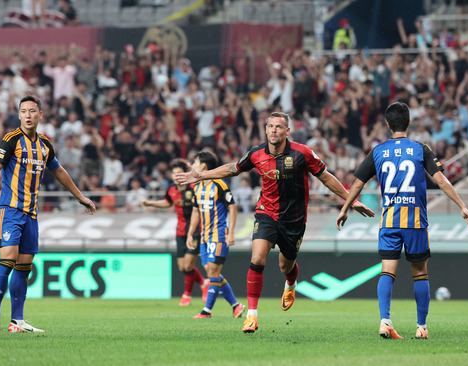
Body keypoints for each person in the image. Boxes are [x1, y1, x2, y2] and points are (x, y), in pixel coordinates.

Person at [175, 112, 374, 333]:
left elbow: (325, 177)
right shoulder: (257, 153)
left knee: (285, 266)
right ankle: (251, 316)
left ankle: (291, 283)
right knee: (258, 257)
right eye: (270, 126)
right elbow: (233, 168)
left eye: (279, 127)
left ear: (287, 131)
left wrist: (351, 201)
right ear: (266, 129)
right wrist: (201, 176)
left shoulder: (302, 153)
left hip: (294, 220)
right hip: (266, 213)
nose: (273, 130)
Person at [335, 102, 468, 340]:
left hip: (389, 221)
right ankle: (421, 327)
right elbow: (441, 181)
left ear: (388, 125)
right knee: (420, 272)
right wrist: (462, 206)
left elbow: (358, 183)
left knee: (387, 271)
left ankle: (385, 321)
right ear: (409, 122)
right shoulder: (421, 149)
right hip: (415, 221)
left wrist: (346, 208)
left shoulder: (377, 151)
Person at [0, 95, 96, 334]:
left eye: (32, 111)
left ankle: (17, 321)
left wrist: (80, 197)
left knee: (25, 266)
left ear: (40, 115)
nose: (28, 115)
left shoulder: (45, 144)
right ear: (19, 115)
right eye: (23, 111)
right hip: (9, 210)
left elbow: (59, 172)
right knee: (8, 259)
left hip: (31, 215)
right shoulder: (10, 140)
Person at [141, 158, 209, 306]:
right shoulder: (171, 189)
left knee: (188, 266)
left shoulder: (193, 188)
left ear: (184, 174)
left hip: (196, 231)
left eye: (179, 173)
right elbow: (168, 202)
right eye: (174, 173)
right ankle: (204, 284)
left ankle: (187, 295)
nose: (176, 176)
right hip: (180, 231)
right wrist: (151, 203)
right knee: (182, 267)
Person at [185, 150, 245, 319]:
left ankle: (207, 310)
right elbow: (196, 212)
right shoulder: (197, 186)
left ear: (203, 166)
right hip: (204, 236)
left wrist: (231, 232)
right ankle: (236, 305)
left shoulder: (220, 184)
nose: (193, 165)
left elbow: (232, 207)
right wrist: (190, 234)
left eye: (195, 162)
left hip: (218, 234)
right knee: (213, 273)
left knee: (213, 272)